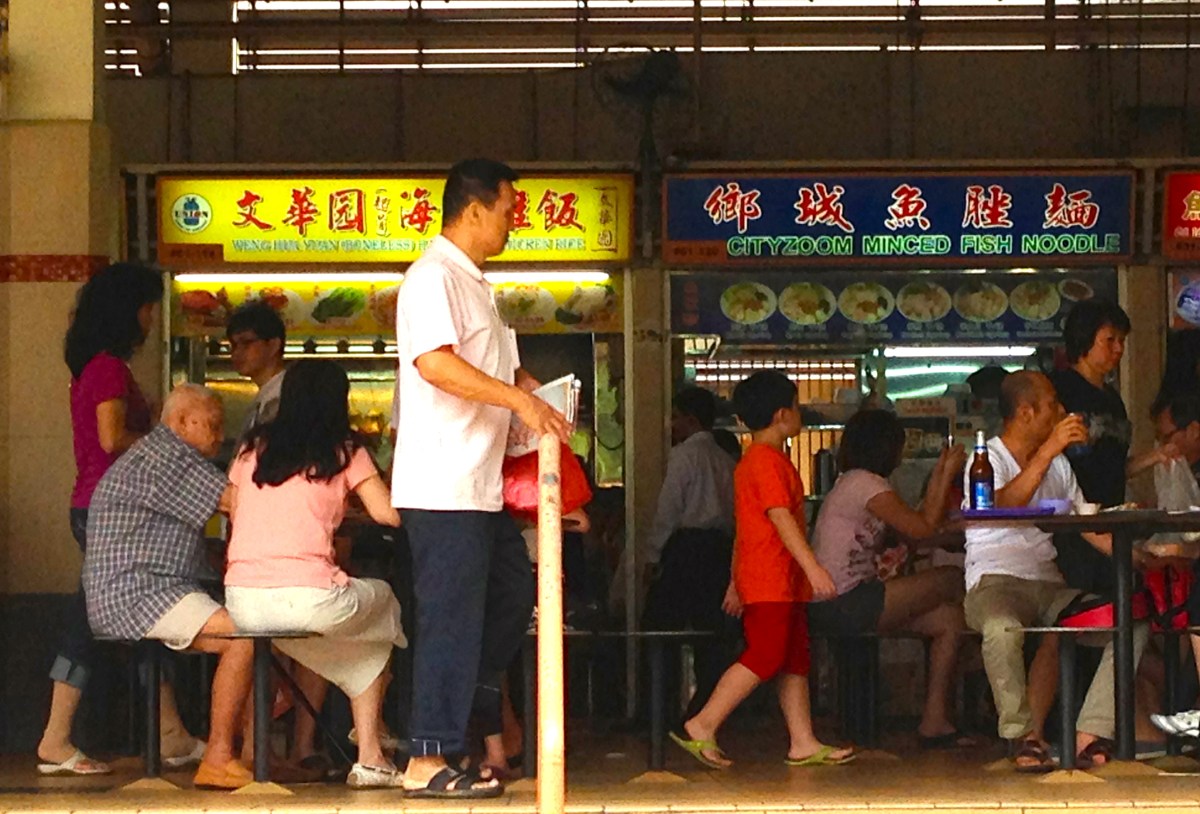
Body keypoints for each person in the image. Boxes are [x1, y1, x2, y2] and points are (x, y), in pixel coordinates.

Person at [391, 158, 571, 799]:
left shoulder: (475, 286)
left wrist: (541, 397)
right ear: (473, 210)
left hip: (481, 487)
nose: (514, 222)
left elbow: (506, 373)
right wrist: (518, 401)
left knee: (508, 597)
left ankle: (457, 721)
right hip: (443, 487)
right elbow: (435, 364)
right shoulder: (431, 277)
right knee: (449, 619)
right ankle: (425, 756)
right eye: (508, 210)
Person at [224, 359, 407, 788]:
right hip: (309, 598)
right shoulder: (345, 450)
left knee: (363, 650)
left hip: (243, 601)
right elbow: (389, 515)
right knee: (385, 604)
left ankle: (372, 755)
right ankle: (371, 743)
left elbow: (236, 507)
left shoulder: (253, 449)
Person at [40, 262, 192, 776]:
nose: (152, 319)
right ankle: (55, 738)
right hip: (111, 513)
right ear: (130, 311)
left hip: (100, 509)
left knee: (138, 616)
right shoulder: (107, 368)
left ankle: (170, 732)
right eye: (149, 308)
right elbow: (112, 439)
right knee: (106, 619)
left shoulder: (95, 367)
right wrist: (170, 444)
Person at [963, 371, 1148, 772]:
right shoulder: (986, 458)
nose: (1062, 412)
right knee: (1001, 628)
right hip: (995, 582)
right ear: (1027, 412)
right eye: (1053, 405)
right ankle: (1021, 737)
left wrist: (1145, 556)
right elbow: (1000, 506)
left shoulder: (1060, 466)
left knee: (1131, 620)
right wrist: (1048, 451)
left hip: (1049, 586)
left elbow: (1089, 527)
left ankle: (1089, 733)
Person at [671, 371, 854, 769]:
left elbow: (744, 529)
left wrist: (736, 581)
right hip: (772, 578)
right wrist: (814, 567)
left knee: (792, 658)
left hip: (775, 579)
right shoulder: (767, 462)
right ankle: (703, 722)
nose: (800, 412)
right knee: (767, 654)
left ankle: (802, 740)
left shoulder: (757, 460)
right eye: (796, 405)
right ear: (781, 415)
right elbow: (779, 518)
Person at [82, 385, 254, 790]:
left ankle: (251, 756)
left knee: (253, 627)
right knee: (247, 634)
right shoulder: (170, 457)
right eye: (210, 424)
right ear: (180, 422)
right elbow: (240, 503)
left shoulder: (157, 455)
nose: (218, 434)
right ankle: (219, 757)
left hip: (144, 588)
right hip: (140, 592)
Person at [809, 409, 972, 748]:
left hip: (847, 599)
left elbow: (910, 534)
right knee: (953, 577)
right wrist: (943, 473)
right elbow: (922, 529)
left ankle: (934, 719)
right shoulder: (865, 484)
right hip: (846, 600)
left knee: (949, 620)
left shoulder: (852, 482)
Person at [224, 301, 333, 775]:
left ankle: (258, 747)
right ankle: (287, 746)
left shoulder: (277, 402)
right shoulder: (267, 401)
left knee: (263, 643)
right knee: (305, 643)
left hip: (257, 564)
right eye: (231, 345)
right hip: (298, 565)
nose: (236, 354)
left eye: (245, 343)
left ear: (274, 345)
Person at [1051, 301, 1161, 594]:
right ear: (1084, 338)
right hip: (1069, 527)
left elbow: (1112, 467)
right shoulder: (1059, 390)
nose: (1119, 349)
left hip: (1112, 520)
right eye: (1110, 340)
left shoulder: (1113, 400)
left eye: (1122, 341)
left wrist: (1157, 456)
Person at [642, 387, 737, 720]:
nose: (672, 425)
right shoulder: (727, 460)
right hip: (720, 551)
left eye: (676, 417)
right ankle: (708, 709)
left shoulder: (684, 456)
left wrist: (652, 555)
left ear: (691, 420)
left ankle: (657, 711)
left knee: (660, 629)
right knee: (710, 635)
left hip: (686, 549)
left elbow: (669, 508)